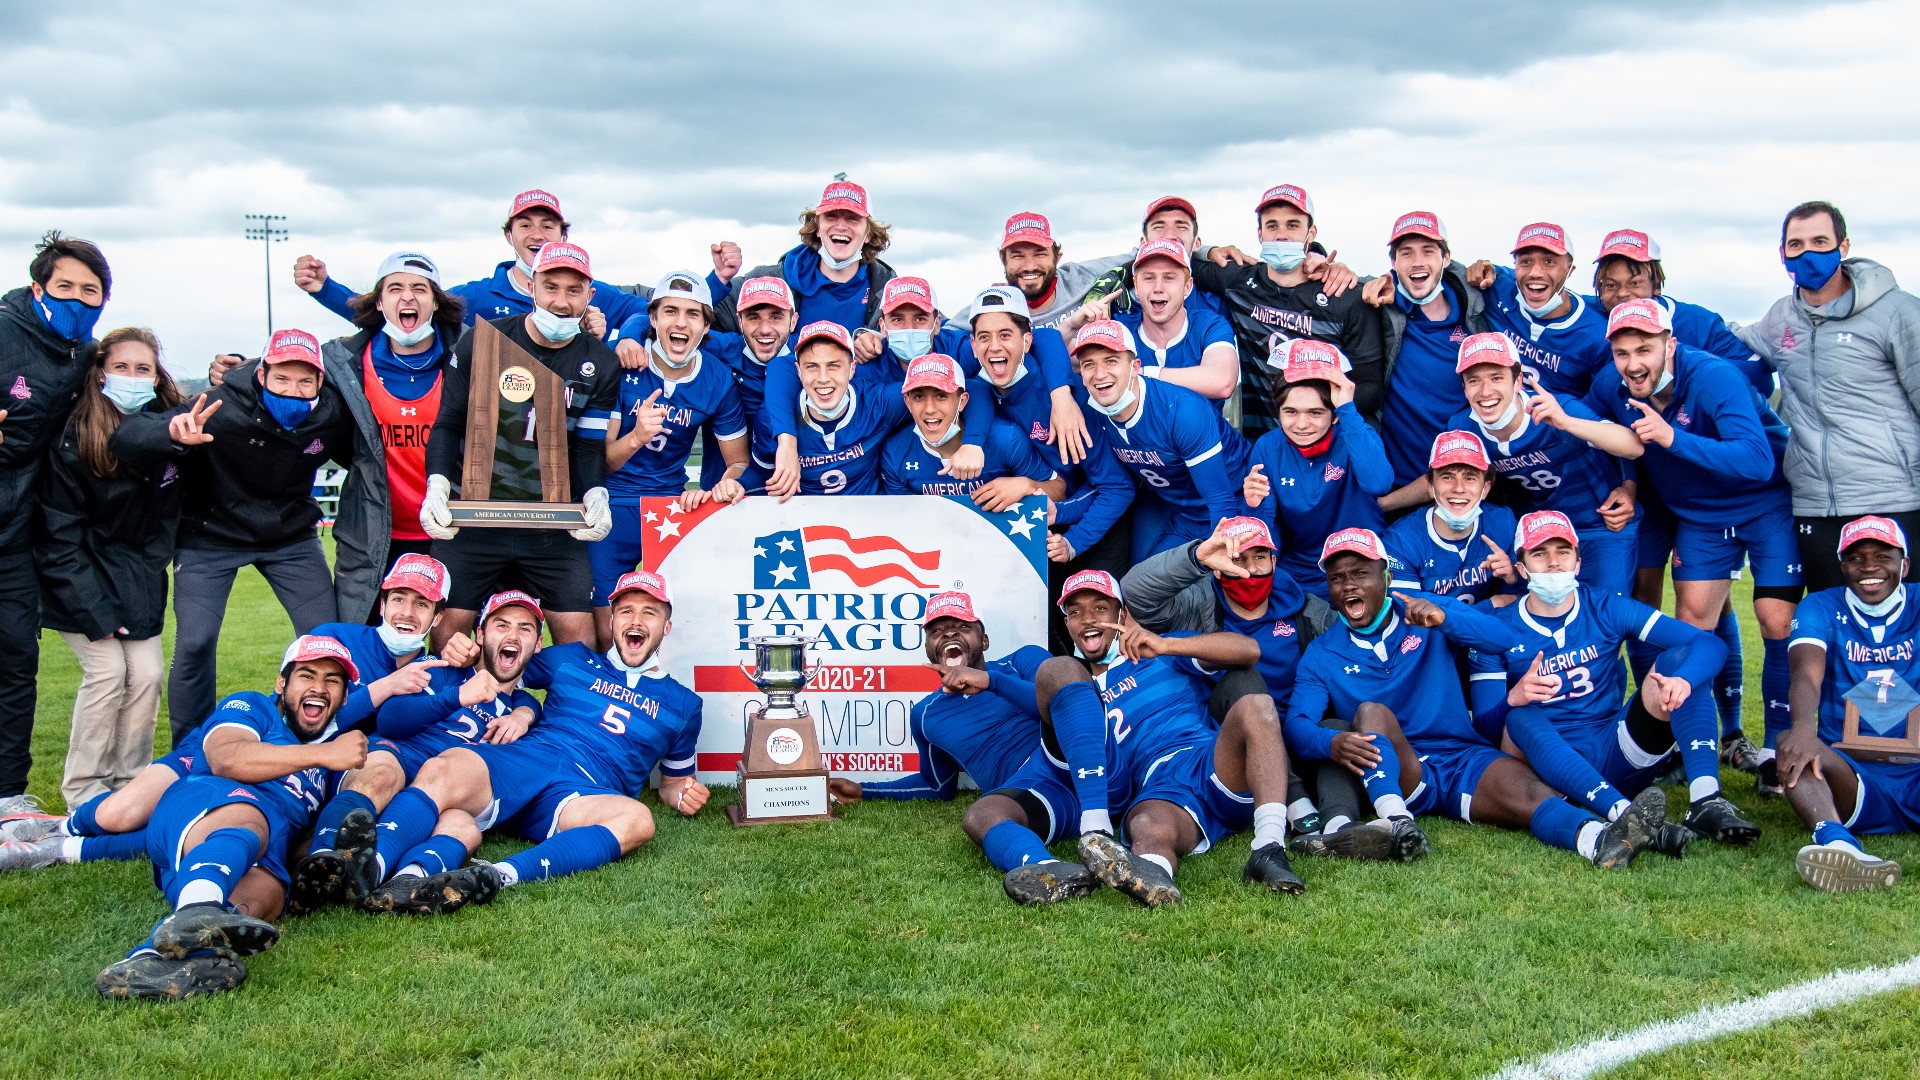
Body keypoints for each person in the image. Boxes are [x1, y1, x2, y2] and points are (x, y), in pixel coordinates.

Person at [1285, 528, 1672, 868]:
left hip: (1460, 754)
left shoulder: (1424, 606)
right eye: (1337, 579)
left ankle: (1600, 841)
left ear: (1386, 576)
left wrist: (1445, 619)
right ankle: (1399, 823)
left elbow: (1503, 639)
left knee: (1527, 795)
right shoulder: (1322, 652)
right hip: (1401, 769)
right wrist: (1331, 741)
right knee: (1371, 713)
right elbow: (1298, 725)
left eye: (1360, 574)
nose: (1349, 586)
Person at [350, 570, 706, 909]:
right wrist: (474, 659)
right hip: (524, 760)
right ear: (611, 621)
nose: (636, 621)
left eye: (650, 612)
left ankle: (497, 875)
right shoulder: (569, 659)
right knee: (447, 766)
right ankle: (375, 870)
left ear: (667, 625)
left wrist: (682, 795)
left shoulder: (684, 705)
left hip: (585, 793)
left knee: (638, 820)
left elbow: (672, 784)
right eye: (626, 611)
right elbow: (505, 670)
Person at [1584, 297, 1802, 791]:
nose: (1634, 363)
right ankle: (1697, 758)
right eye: (1622, 352)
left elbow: (1756, 461)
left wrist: (1670, 440)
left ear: (1670, 344)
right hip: (1700, 516)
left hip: (1764, 504)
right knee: (1692, 627)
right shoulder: (1613, 384)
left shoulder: (1714, 376)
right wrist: (1629, 480)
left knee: (1775, 619)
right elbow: (1594, 419)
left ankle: (1774, 751)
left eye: (1645, 348)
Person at [111, 328, 366, 743]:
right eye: (282, 378)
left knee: (326, 639)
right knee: (194, 642)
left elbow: (366, 454)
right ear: (261, 375)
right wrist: (172, 434)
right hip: (212, 535)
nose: (293, 390)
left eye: (305, 381)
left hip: (290, 538)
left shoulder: (331, 414)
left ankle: (324, 738)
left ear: (321, 382)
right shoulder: (220, 406)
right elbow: (127, 436)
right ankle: (190, 747)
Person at [94, 635, 369, 1001]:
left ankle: (150, 961)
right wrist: (321, 756)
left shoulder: (336, 756)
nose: (318, 687)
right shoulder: (254, 707)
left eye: (332, 681)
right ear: (281, 683)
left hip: (253, 850)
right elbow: (227, 758)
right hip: (207, 805)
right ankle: (199, 909)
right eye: (306, 675)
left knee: (266, 899)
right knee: (248, 818)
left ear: (344, 697)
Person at [1470, 511, 1758, 845]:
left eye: (1562, 552)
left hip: (1614, 748)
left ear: (1578, 562)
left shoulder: (1605, 606)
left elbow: (1708, 643)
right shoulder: (1497, 627)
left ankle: (1706, 800)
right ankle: (1622, 814)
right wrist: (1514, 697)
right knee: (1521, 715)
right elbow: (1486, 730)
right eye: (1539, 553)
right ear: (1521, 568)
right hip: (1543, 768)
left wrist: (1686, 680)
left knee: (1678, 661)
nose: (1553, 563)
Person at [1123, 517, 1396, 859]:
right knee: (1243, 677)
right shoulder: (1197, 605)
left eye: (1260, 557)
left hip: (1300, 731)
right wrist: (1197, 556)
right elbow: (1134, 593)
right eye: (1239, 559)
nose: (1250, 571)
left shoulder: (1307, 610)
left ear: (1274, 561)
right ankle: (1296, 809)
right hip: (1238, 741)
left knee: (1335, 727)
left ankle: (1337, 827)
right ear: (1220, 567)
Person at [1587, 230, 1757, 766]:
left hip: (1700, 482)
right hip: (1648, 490)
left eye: (1634, 277)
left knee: (1705, 607)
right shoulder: (1598, 329)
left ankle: (1727, 732)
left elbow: (1749, 374)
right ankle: (1656, 726)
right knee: (1644, 604)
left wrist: (1684, 411)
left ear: (1656, 278)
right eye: (1610, 283)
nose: (1623, 290)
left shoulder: (1697, 324)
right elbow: (1600, 413)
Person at [1038, 570, 1307, 906]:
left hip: (1211, 760)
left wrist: (1166, 645)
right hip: (1159, 787)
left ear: (1123, 613)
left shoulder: (1157, 651)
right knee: (1149, 826)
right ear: (1067, 626)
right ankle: (1154, 878)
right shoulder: (1076, 695)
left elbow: (1249, 650)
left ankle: (1269, 847)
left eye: (1099, 608)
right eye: (1075, 612)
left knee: (1257, 706)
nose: (1088, 620)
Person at [831, 591, 1104, 905]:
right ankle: (1048, 870)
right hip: (1040, 796)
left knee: (1062, 670)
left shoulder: (1022, 661)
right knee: (980, 815)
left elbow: (1064, 702)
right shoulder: (926, 714)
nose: (948, 633)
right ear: (929, 650)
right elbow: (936, 785)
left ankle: (1101, 828)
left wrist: (991, 680)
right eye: (936, 631)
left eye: (961, 626)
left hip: (1073, 760)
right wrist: (866, 791)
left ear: (984, 640)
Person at [419, 241, 618, 650]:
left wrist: (596, 494)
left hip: (551, 521)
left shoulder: (601, 362)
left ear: (590, 295)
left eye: (574, 290)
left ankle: (564, 716)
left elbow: (587, 444)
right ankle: (456, 712)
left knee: (580, 646)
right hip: (476, 516)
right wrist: (436, 485)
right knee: (447, 637)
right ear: (532, 287)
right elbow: (448, 423)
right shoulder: (482, 342)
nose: (561, 302)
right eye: (551, 287)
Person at [295, 588, 542, 915]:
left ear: (538, 644)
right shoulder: (444, 668)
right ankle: (323, 862)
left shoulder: (521, 710)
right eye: (501, 625)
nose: (512, 635)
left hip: (439, 791)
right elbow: (391, 721)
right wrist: (457, 697)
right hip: (398, 754)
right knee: (383, 773)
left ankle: (407, 882)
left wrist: (525, 714)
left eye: (524, 629)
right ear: (480, 634)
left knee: (464, 827)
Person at [1737, 201, 1920, 594]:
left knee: (1905, 630)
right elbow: (1731, 343)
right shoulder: (1781, 317)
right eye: (1796, 244)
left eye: (1820, 241)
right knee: (1832, 625)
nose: (1808, 253)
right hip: (1815, 505)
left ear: (1844, 245)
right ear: (1782, 252)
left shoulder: (1898, 312)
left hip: (1893, 497)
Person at [35, 327, 182, 808]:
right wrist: (96, 609)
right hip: (76, 578)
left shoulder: (167, 432)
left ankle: (129, 783)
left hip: (135, 580)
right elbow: (59, 538)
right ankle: (84, 790)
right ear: (100, 374)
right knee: (106, 674)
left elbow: (159, 525)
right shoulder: (75, 437)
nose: (134, 377)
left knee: (146, 674)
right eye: (122, 367)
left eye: (144, 369)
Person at [0, 231, 111, 816]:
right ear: (37, 286)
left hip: (17, 531)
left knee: (17, 661)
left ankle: (7, 796)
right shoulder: (4, 330)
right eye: (64, 286)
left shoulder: (82, 354)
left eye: (89, 292)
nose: (75, 299)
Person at [595, 270, 750, 642]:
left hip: (669, 506)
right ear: (653, 319)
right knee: (605, 626)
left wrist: (721, 488)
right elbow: (598, 461)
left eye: (693, 314)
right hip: (612, 502)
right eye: (670, 311)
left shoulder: (715, 377)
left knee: (678, 622)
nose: (681, 323)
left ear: (705, 326)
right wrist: (636, 437)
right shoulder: (622, 364)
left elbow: (738, 461)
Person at [1440, 332, 1640, 597]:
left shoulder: (1555, 408)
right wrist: (1386, 502)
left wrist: (1566, 423)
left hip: (1600, 525)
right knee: (1527, 617)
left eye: (1497, 378)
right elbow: (1438, 479)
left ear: (1519, 380)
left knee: (1604, 619)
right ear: (1464, 388)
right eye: (1473, 381)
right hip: (1538, 535)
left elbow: (1633, 446)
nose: (1485, 391)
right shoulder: (1463, 426)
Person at [1778, 516, 1918, 893]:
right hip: (1850, 775)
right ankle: (1839, 845)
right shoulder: (1820, 607)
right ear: (1842, 567)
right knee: (1790, 745)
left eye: (1882, 556)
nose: (1869, 567)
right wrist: (1805, 729)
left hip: (1917, 766)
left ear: (1904, 564)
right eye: (1856, 558)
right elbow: (1806, 674)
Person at [294, 188, 649, 331]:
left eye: (547, 225)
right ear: (508, 236)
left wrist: (629, 337)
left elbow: (653, 311)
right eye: (525, 225)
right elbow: (396, 311)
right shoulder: (479, 296)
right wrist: (324, 289)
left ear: (564, 236)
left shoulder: (588, 292)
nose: (537, 235)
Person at [1189, 184, 1378, 436]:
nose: (1281, 235)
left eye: (1292, 225)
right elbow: (1175, 263)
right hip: (1263, 446)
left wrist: (1318, 411)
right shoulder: (1237, 281)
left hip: (1329, 450)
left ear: (1311, 233)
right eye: (1272, 226)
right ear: (1259, 233)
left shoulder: (1344, 294)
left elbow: (1370, 386)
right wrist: (1209, 250)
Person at [1073, 319, 1251, 562]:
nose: (1100, 374)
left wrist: (1218, 558)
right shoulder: (1093, 410)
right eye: (1088, 365)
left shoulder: (1181, 411)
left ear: (1135, 366)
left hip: (1238, 504)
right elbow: (1111, 485)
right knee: (1139, 585)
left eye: (1111, 361)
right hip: (1182, 512)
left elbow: (1221, 500)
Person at [1241, 339, 1389, 600]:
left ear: (1334, 415)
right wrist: (1252, 507)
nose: (1301, 424)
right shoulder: (1268, 447)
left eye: (1315, 413)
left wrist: (1348, 411)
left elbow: (1379, 484)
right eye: (1290, 412)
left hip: (1360, 566)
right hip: (1300, 571)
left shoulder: (1355, 434)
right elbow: (1267, 529)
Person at [1365, 212, 1492, 489]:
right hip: (1393, 482)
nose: (1418, 262)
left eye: (1428, 251)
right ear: (1393, 263)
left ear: (1446, 259)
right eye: (1406, 253)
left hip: (1462, 484)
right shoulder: (1378, 303)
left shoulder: (1478, 308)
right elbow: (1333, 282)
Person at [879, 353, 1063, 507]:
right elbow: (901, 518)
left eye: (941, 396)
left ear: (963, 401)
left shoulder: (1006, 439)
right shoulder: (895, 452)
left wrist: (1026, 486)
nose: (929, 408)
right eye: (918, 397)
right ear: (907, 403)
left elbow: (1059, 489)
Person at [716, 179, 897, 334]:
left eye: (853, 218)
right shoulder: (769, 279)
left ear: (868, 233)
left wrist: (879, 339)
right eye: (831, 216)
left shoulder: (889, 290)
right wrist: (719, 279)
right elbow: (700, 316)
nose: (841, 226)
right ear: (817, 227)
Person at [758, 320, 910, 496]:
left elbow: (934, 397)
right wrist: (736, 485)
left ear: (852, 368)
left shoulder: (877, 404)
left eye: (833, 366)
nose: (823, 378)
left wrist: (951, 449)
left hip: (865, 518)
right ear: (798, 371)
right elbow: (759, 474)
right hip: (803, 518)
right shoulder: (774, 417)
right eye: (812, 367)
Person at [1464, 222, 1612, 398]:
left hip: (1559, 420)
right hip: (1497, 411)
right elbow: (1483, 273)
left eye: (1549, 261)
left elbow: (1602, 403)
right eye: (1525, 261)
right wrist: (1481, 269)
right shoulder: (1498, 289)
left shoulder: (1597, 332)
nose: (1535, 272)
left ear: (1569, 269)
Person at [1383, 431, 1522, 606]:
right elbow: (1413, 613)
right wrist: (1490, 606)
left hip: (1485, 632)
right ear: (1430, 486)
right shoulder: (1400, 541)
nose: (1458, 488)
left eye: (1470, 477)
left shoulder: (1503, 523)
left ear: (1486, 488)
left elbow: (1517, 603)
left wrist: (1513, 579)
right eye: (1447, 477)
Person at [1099, 238, 1239, 405]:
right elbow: (1076, 363)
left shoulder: (1209, 325)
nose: (1158, 288)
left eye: (1169, 278)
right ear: (1136, 285)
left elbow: (1223, 382)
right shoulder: (1120, 329)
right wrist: (1072, 327)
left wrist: (1140, 373)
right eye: (1149, 278)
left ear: (1187, 286)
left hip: (1205, 431)